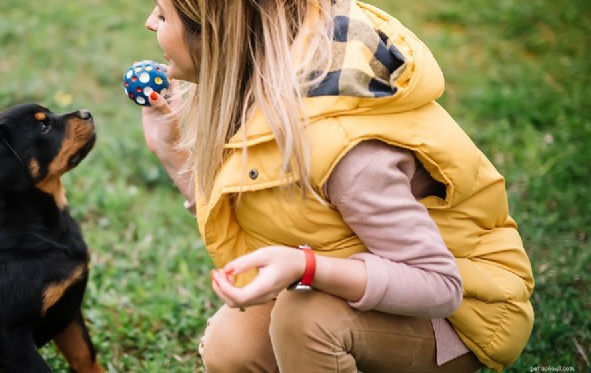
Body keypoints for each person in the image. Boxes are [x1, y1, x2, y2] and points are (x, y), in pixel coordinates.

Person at [139, 0, 534, 372]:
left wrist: (306, 267)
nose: (149, 23)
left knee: (305, 318)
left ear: (212, 32)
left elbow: (441, 285)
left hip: (460, 316)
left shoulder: (343, 146)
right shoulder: (265, 92)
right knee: (232, 344)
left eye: (161, 13)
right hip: (364, 288)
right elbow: (260, 220)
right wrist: (173, 154)